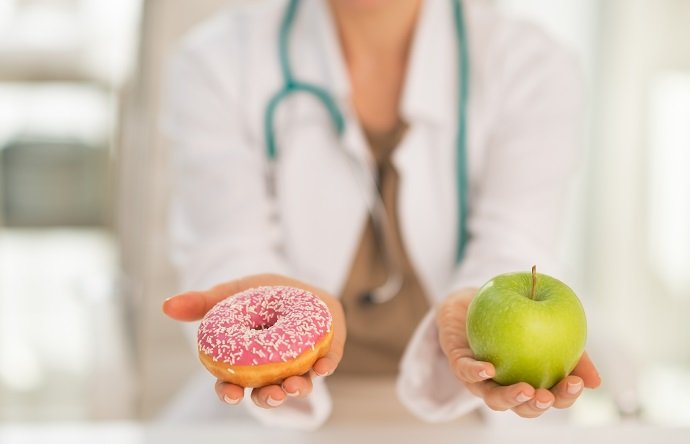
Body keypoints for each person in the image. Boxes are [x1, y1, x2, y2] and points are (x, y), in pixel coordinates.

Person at [161, 0, 601, 429]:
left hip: (463, 409)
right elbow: (228, 244)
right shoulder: (218, 59)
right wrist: (268, 308)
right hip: (280, 414)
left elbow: (515, 244)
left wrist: (480, 319)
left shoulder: (531, 62)